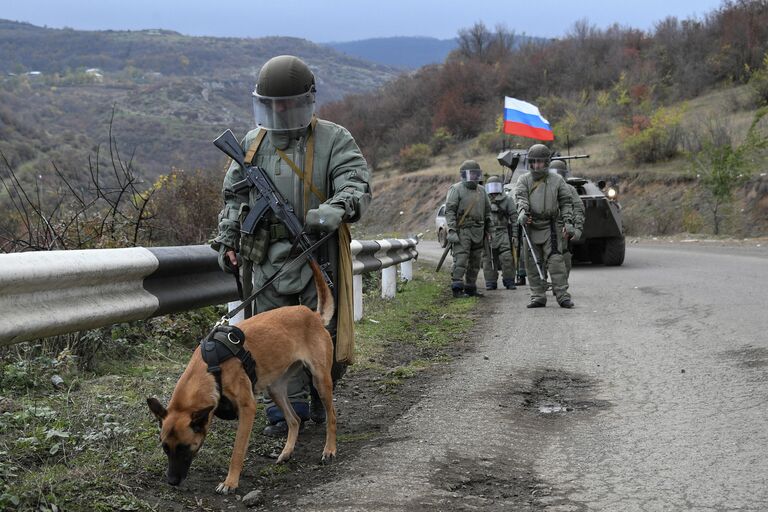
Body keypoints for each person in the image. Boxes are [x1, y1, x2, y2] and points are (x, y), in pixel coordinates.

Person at [211, 55, 372, 436]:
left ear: (306, 101)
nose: (280, 111)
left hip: (318, 253)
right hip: (265, 257)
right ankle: (285, 412)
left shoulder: (335, 139)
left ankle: (321, 393)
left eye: (286, 103)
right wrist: (228, 240)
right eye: (272, 104)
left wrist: (336, 208)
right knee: (268, 338)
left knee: (322, 333)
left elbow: (355, 183)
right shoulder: (251, 145)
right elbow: (234, 199)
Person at [514, 144, 575, 308]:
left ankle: (562, 295)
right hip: (530, 224)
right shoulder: (524, 180)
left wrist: (568, 222)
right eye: (533, 162)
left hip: (551, 226)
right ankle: (538, 296)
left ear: (546, 162)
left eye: (540, 162)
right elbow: (520, 197)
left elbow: (566, 202)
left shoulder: (557, 180)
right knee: (532, 263)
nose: (536, 165)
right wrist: (522, 211)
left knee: (556, 261)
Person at [444, 159, 491, 298]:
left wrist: (489, 230)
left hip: (478, 230)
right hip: (462, 231)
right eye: (471, 174)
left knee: (476, 261)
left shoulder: (482, 190)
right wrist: (451, 230)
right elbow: (450, 211)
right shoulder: (456, 189)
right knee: (461, 260)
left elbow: (487, 213)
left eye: (476, 174)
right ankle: (457, 288)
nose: (474, 177)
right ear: (463, 175)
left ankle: (471, 287)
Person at [550, 159, 585, 278]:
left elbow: (578, 209)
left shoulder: (570, 189)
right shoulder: (544, 188)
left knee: (563, 255)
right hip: (544, 227)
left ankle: (560, 285)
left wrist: (577, 228)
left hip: (562, 227)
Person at [482, 175, 517, 290]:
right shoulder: (483, 200)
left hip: (503, 232)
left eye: (496, 186)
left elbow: (514, 218)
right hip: (488, 234)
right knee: (488, 258)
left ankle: (509, 280)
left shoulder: (507, 200)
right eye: (491, 187)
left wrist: (515, 235)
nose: (494, 190)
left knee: (506, 257)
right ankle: (490, 281)